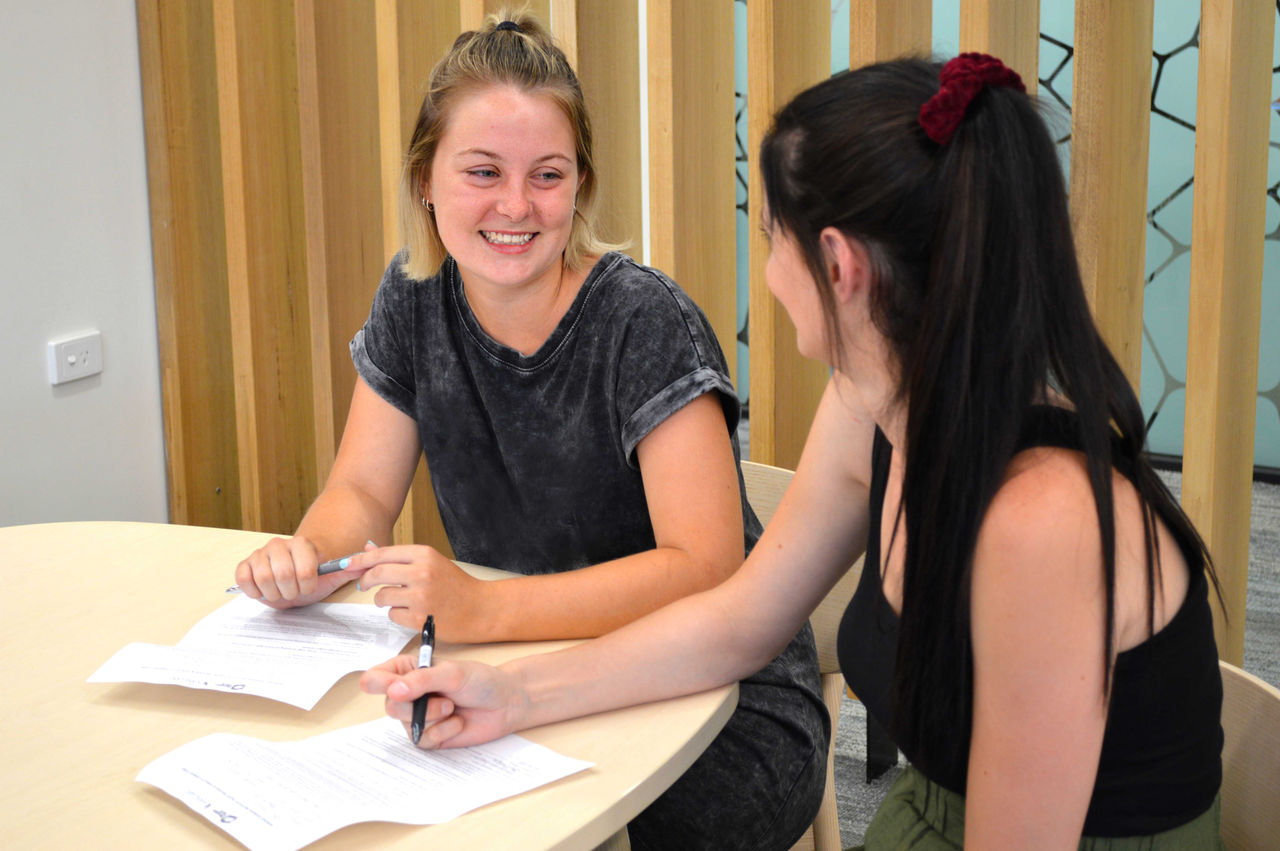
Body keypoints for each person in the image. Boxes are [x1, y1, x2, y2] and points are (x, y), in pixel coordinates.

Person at [362, 54, 1228, 849]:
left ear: (839, 265)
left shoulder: (1043, 521)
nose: (768, 271)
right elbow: (741, 620)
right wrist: (515, 697)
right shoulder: (874, 400)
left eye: (771, 234)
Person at [233, 12, 826, 851]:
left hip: (718, 696)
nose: (516, 205)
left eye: (547, 176)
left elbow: (708, 570)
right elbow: (362, 489)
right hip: (516, 662)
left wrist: (481, 606)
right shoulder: (413, 296)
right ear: (424, 180)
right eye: (482, 171)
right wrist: (308, 555)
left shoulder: (642, 320)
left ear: (580, 187)